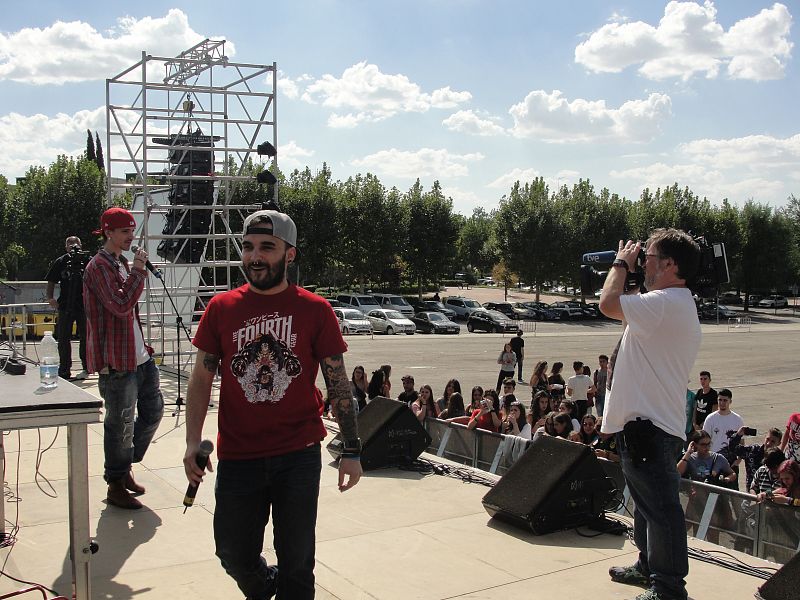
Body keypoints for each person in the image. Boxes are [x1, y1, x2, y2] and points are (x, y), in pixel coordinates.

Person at [183, 209, 361, 600]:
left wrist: (352, 449)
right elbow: (200, 378)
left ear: (290, 254)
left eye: (267, 246)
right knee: (232, 551)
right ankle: (265, 585)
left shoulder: (315, 310)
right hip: (238, 454)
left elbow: (338, 383)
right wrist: (192, 441)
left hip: (296, 455)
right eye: (248, 247)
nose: (255, 256)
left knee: (298, 561)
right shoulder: (221, 308)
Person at [600, 229, 702, 600]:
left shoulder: (665, 303)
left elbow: (608, 304)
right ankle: (647, 567)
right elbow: (623, 311)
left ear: (670, 265)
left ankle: (670, 589)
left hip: (650, 429)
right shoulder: (667, 304)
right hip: (646, 426)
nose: (643, 262)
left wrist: (619, 264)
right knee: (646, 507)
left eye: (649, 257)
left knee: (661, 512)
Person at [83, 208, 164, 510]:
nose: (132, 237)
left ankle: (124, 464)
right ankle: (115, 482)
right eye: (125, 232)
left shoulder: (120, 262)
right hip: (117, 361)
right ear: (109, 233)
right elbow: (119, 304)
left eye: (132, 230)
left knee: (154, 411)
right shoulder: (99, 267)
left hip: (138, 356)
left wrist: (135, 270)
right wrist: (139, 271)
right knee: (119, 424)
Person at [45, 235, 89, 380]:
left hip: (83, 304)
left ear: (81, 245)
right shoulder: (61, 261)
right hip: (65, 304)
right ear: (65, 247)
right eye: (69, 244)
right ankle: (64, 368)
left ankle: (87, 366)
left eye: (76, 243)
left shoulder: (87, 260)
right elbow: (51, 280)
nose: (73, 246)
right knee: (63, 338)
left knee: (86, 337)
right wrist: (50, 298)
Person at [702, 389, 743, 456]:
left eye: (725, 400)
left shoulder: (737, 419)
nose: (722, 403)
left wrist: (737, 462)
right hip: (714, 458)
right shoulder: (710, 418)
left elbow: (741, 442)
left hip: (731, 460)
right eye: (720, 400)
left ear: (730, 401)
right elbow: (704, 440)